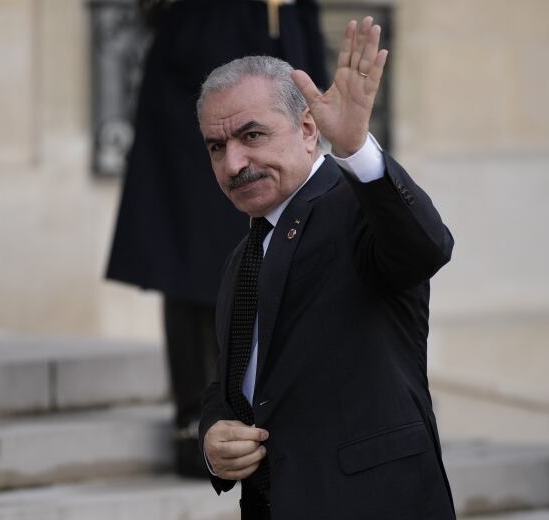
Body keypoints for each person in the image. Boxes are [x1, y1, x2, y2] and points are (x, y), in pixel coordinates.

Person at [197, 17, 456, 519]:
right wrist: (213, 438)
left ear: (309, 130)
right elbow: (238, 381)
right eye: (217, 146)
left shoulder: (356, 208)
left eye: (252, 135)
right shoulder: (243, 257)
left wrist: (358, 151)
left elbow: (426, 247)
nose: (233, 164)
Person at [105, 0, 327, 477]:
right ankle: (194, 421)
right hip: (202, 44)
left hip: (286, 33)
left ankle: (269, 407)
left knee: (288, 231)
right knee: (189, 244)